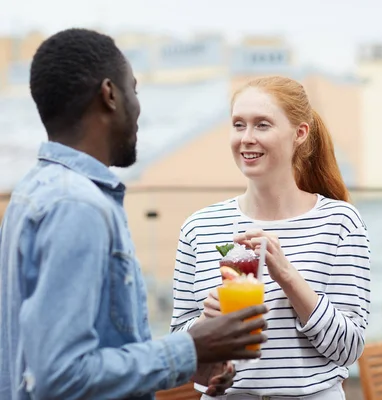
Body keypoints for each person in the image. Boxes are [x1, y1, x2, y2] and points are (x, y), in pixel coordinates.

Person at [0, 28, 268, 400]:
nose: (139, 107)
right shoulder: (77, 206)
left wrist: (197, 361)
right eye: (134, 90)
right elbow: (60, 377)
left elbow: (67, 359)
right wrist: (191, 347)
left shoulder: (33, 192)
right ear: (110, 94)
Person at [171, 76, 371, 399]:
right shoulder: (199, 227)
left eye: (262, 125)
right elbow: (180, 346)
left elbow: (348, 348)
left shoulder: (340, 223)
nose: (246, 138)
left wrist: (287, 276)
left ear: (300, 133)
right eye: (238, 125)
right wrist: (206, 324)